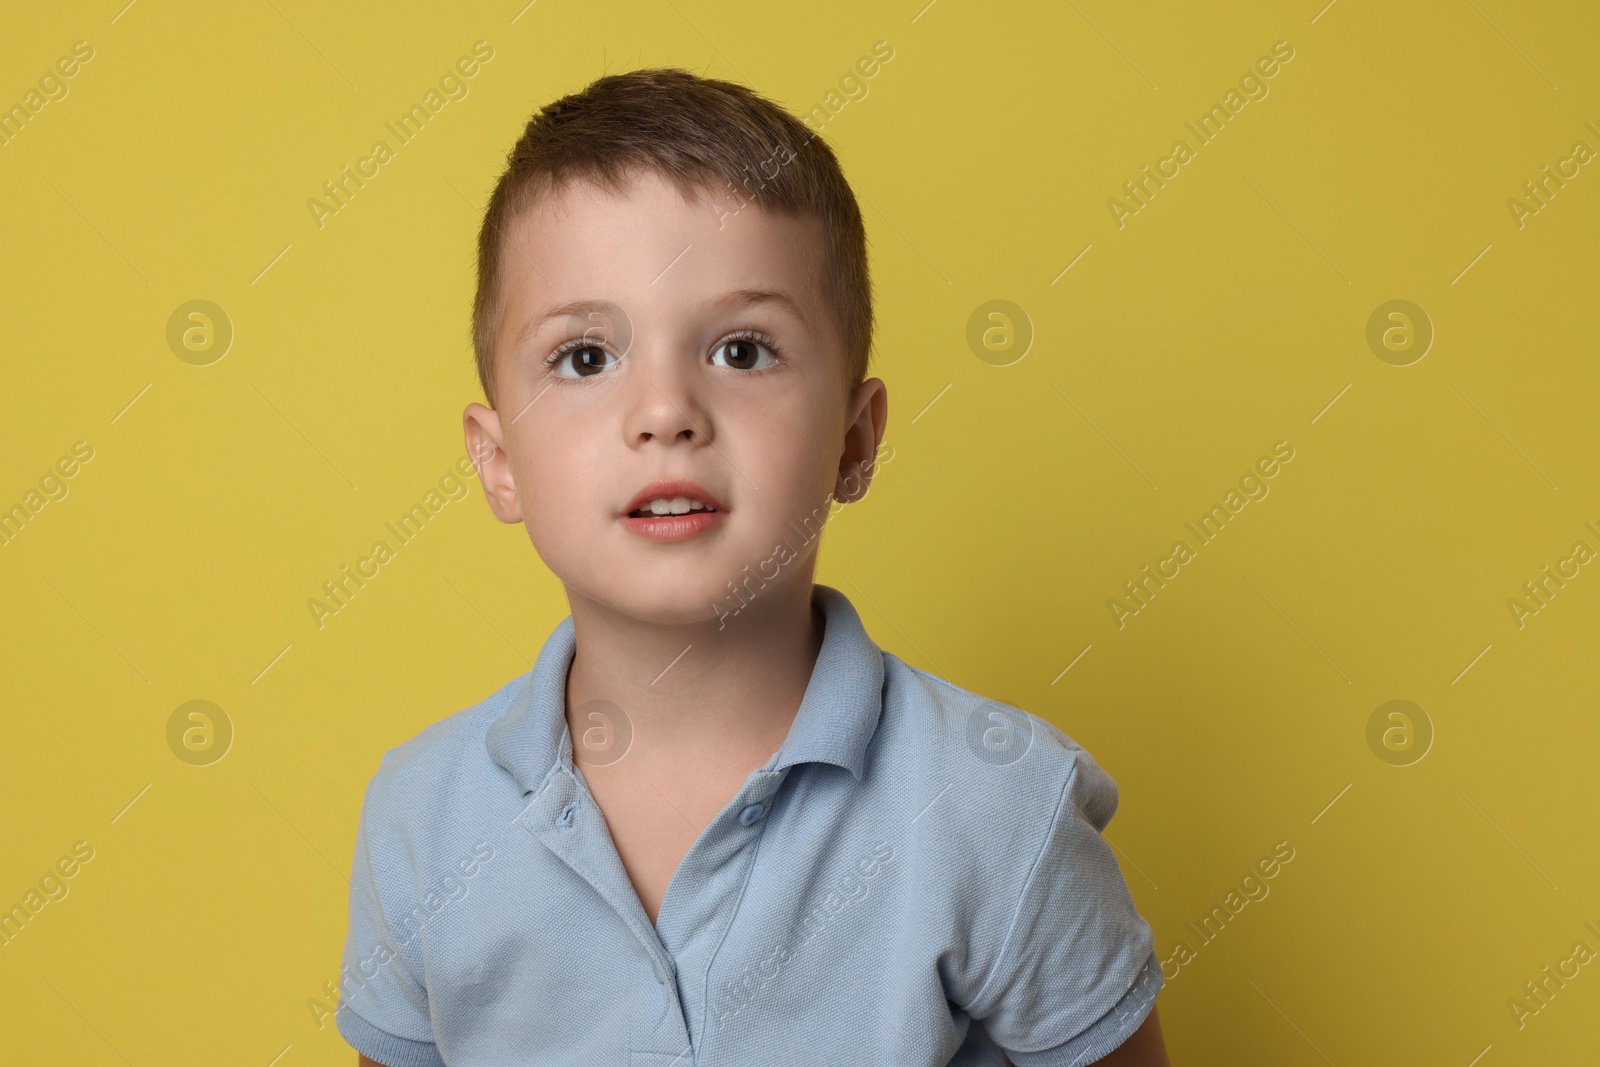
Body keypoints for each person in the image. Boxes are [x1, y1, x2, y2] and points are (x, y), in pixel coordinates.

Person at [335, 66, 1171, 1067]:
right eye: (586, 357)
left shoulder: (998, 803)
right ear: (500, 460)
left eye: (741, 349)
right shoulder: (422, 813)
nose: (665, 412)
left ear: (854, 441)